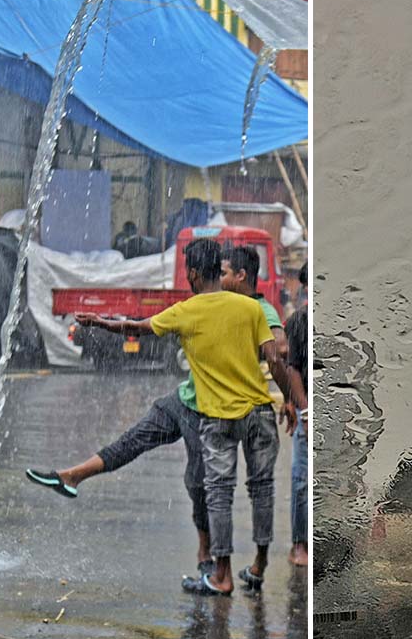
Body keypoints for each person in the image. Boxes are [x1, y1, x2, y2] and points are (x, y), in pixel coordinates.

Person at [38, 239, 291, 596]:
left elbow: (136, 328)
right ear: (219, 271)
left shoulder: (186, 311)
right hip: (257, 411)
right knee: (259, 490)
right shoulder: (250, 308)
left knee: (215, 493)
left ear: (191, 273)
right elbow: (276, 357)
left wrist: (99, 322)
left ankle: (222, 573)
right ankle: (257, 565)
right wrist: (294, 400)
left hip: (216, 416)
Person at [285, 302, 308, 567]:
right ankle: (299, 544)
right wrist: (303, 408)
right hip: (308, 411)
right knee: (301, 479)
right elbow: (292, 368)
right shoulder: (301, 320)